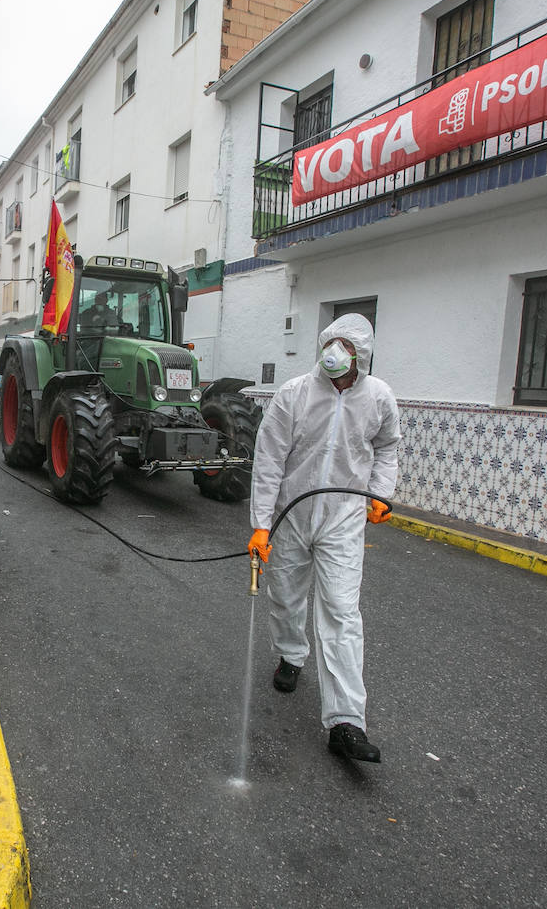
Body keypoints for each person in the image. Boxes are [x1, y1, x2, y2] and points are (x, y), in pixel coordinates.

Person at [247, 313, 400, 763]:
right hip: (292, 514)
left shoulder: (378, 397)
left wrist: (382, 494)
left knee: (341, 612)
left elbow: (387, 446)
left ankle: (346, 721)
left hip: (343, 518)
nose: (336, 351)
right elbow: (270, 457)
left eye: (346, 346)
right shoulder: (294, 394)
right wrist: (260, 523)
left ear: (363, 355)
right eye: (331, 342)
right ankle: (292, 656)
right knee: (287, 596)